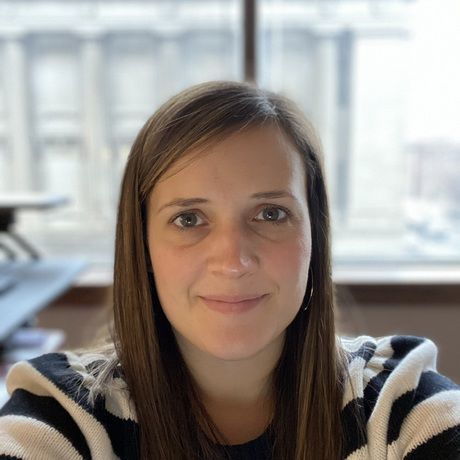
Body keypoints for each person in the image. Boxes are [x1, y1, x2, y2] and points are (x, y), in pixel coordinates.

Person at [0, 81, 459, 460]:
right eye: (188, 219)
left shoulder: (398, 404)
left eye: (271, 214)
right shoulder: (64, 413)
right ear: (143, 247)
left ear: (314, 235)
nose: (234, 261)